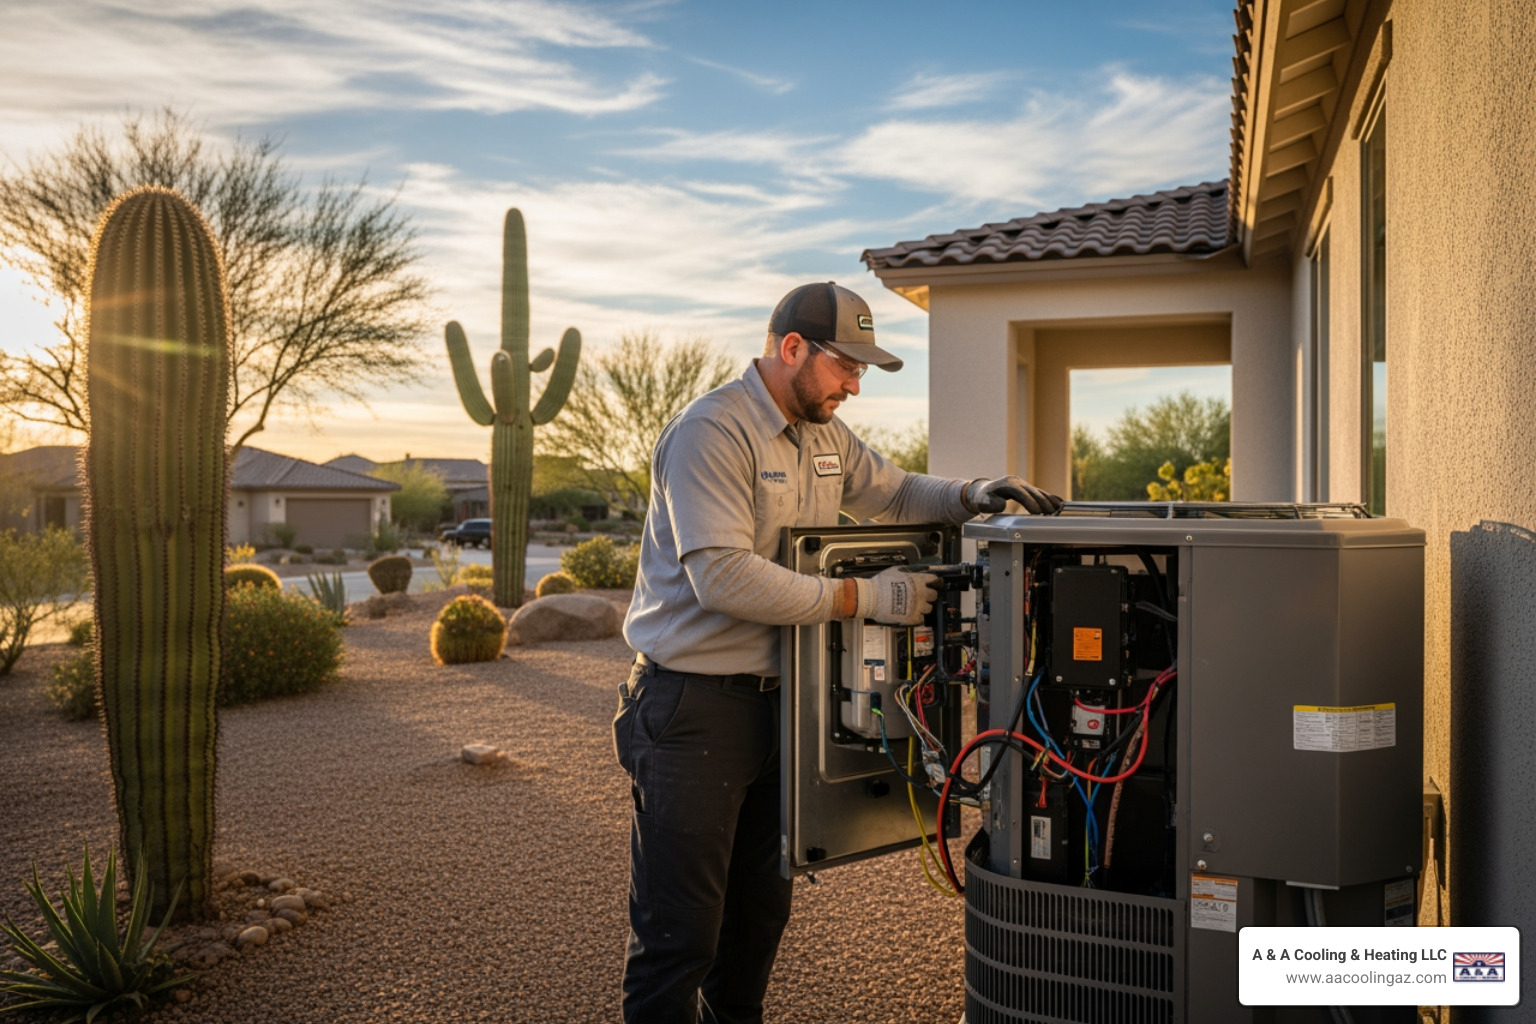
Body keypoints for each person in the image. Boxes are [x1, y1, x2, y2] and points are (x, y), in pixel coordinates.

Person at [614, 281, 1061, 1023]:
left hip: (779, 706)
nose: (855, 385)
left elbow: (895, 494)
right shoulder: (712, 433)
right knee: (679, 935)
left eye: (861, 371)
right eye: (845, 366)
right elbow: (721, 576)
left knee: (756, 925)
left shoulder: (824, 435)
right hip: (691, 710)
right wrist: (861, 599)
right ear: (792, 349)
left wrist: (974, 492)